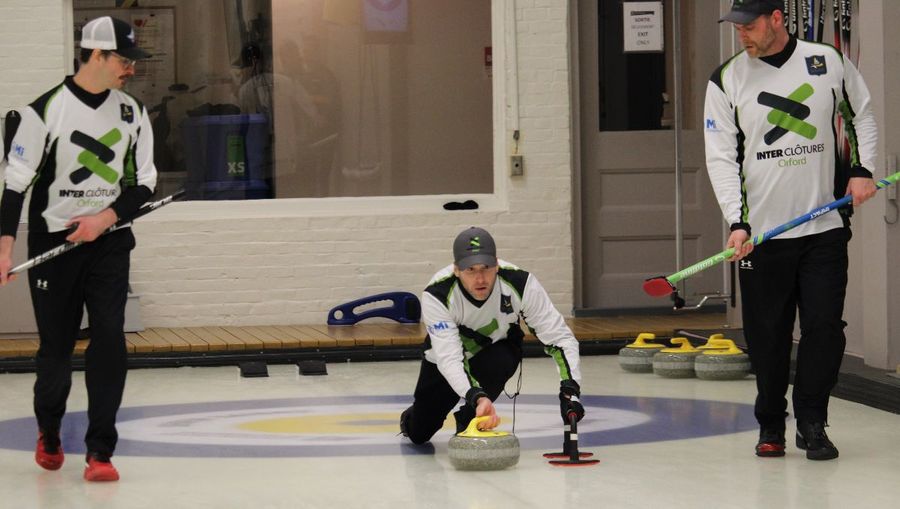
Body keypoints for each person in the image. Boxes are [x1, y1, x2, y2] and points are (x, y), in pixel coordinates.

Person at [704, 1, 878, 460]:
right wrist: (737, 221)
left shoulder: (827, 61)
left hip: (824, 226)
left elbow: (860, 113)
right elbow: (720, 158)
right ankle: (770, 423)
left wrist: (862, 169)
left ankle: (812, 422)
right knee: (768, 336)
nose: (742, 35)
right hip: (762, 237)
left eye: (750, 26)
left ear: (777, 19)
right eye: (737, 27)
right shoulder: (726, 80)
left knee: (824, 328)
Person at [0, 16, 157, 481]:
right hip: (55, 243)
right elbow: (15, 186)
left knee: (110, 338)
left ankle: (100, 451)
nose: (131, 69)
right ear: (96, 55)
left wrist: (103, 219)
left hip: (109, 242)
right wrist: (4, 249)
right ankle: (49, 431)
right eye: (123, 60)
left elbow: (144, 184)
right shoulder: (44, 111)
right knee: (56, 349)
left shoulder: (132, 112)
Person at [400, 227, 584, 444]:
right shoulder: (437, 294)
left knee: (502, 358)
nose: (480, 279)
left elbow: (560, 338)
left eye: (486, 268)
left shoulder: (521, 284)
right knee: (420, 433)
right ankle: (412, 418)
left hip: (494, 353)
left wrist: (570, 390)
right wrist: (476, 396)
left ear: (497, 265)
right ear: (456, 270)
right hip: (447, 359)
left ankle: (469, 420)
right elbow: (449, 358)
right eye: (470, 270)